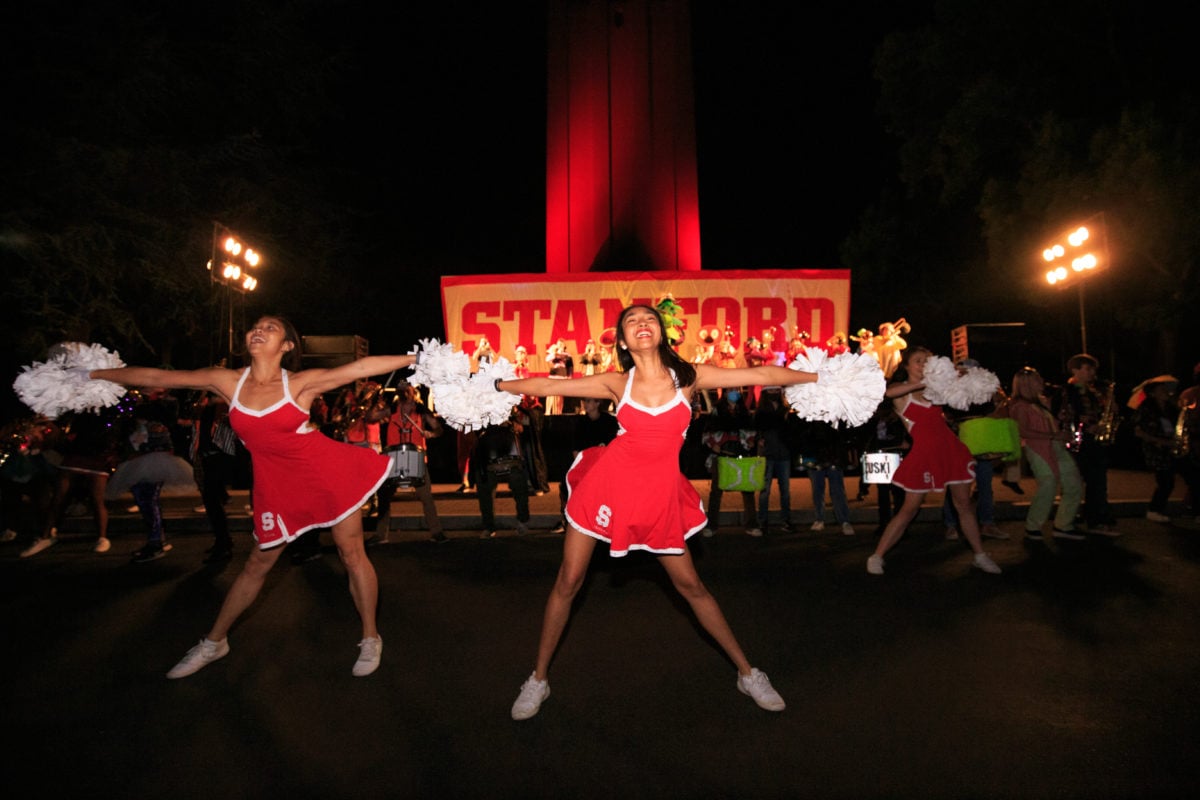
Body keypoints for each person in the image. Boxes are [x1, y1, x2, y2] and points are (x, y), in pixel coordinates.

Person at [496, 303, 822, 720]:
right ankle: (538, 679)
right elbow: (543, 385)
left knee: (692, 587)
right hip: (608, 487)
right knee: (569, 580)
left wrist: (818, 377)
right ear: (623, 341)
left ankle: (748, 672)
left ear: (661, 332)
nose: (641, 324)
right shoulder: (616, 382)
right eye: (631, 321)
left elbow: (762, 374)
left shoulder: (691, 378)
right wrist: (492, 386)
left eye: (648, 318)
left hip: (659, 495)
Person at [86, 315, 417, 679]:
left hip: (326, 473)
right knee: (257, 564)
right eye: (256, 326)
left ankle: (370, 635)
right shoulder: (227, 380)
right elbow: (158, 377)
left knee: (351, 552)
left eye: (271, 328)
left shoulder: (302, 383)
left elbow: (361, 367)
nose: (258, 330)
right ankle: (215, 642)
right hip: (276, 484)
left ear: (287, 346)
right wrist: (96, 375)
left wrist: (417, 360)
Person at [866, 346, 1002, 576]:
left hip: (951, 451)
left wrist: (969, 379)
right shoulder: (902, 393)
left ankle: (980, 555)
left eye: (927, 361)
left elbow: (977, 396)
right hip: (925, 454)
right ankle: (877, 556)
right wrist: (928, 383)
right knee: (909, 509)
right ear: (907, 366)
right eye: (917, 361)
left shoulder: (939, 390)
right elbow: (888, 393)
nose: (923, 365)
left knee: (964, 505)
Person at [1007, 367, 1084, 540]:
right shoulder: (1019, 405)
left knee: (1073, 484)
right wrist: (1054, 434)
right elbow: (1022, 430)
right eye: (1037, 379)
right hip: (1038, 448)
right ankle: (1033, 525)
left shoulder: (1041, 402)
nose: (1041, 382)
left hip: (1055, 446)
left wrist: (1061, 421)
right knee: (1048, 484)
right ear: (1027, 383)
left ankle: (1063, 524)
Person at [941, 358, 1010, 542]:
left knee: (985, 484)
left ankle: (987, 523)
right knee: (955, 486)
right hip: (959, 443)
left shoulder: (985, 393)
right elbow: (945, 415)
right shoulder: (951, 392)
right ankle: (951, 525)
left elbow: (1000, 408)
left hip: (981, 443)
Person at [1052, 353, 1120, 537]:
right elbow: (1061, 415)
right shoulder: (1066, 390)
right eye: (1088, 369)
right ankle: (1077, 520)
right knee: (1076, 483)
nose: (1092, 373)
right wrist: (1087, 425)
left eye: (1093, 369)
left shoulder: (1094, 391)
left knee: (1097, 482)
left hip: (1094, 443)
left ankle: (1095, 518)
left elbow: (1099, 412)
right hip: (1077, 442)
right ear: (1075, 370)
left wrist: (1109, 409)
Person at [372, 382, 446, 543]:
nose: (405, 391)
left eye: (408, 389)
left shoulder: (422, 411)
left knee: (426, 497)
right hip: (393, 457)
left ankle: (436, 532)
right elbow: (371, 418)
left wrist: (430, 434)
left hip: (416, 457)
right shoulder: (391, 409)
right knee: (384, 496)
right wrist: (373, 400)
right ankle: (380, 535)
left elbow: (438, 429)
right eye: (402, 389)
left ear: (413, 392)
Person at [1131, 375, 1198, 523]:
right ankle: (1154, 510)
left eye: (1166, 390)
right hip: (1158, 451)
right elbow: (1139, 432)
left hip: (1173, 448)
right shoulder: (1146, 409)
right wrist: (1163, 442)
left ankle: (1195, 511)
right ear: (1153, 393)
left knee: (1193, 477)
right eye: (1161, 390)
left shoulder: (1171, 409)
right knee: (1166, 482)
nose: (1166, 392)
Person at [552, 396, 619, 533]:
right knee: (566, 483)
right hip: (585, 464)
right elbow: (575, 449)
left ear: (597, 403)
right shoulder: (581, 422)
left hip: (603, 465)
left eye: (589, 401)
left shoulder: (609, 421)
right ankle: (568, 519)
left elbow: (612, 446)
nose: (585, 405)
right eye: (585, 401)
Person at [700, 388, 761, 538]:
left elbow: (752, 430)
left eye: (736, 391)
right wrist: (712, 443)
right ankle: (712, 525)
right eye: (731, 391)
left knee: (747, 489)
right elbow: (708, 431)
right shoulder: (717, 411)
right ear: (725, 393)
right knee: (716, 491)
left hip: (741, 453)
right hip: (721, 454)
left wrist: (751, 441)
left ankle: (751, 524)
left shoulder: (743, 411)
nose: (734, 393)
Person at [472, 415, 531, 538]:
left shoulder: (510, 403)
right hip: (487, 450)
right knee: (485, 491)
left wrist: (513, 423)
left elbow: (522, 425)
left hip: (510, 450)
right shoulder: (480, 404)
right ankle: (488, 526)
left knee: (520, 488)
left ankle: (522, 521)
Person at [798, 418, 856, 536]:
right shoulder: (813, 419)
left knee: (835, 490)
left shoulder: (830, 416)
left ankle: (842, 521)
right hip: (819, 454)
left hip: (830, 454)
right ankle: (823, 519)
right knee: (821, 490)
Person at [753, 386, 793, 534]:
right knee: (765, 490)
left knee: (785, 490)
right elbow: (757, 429)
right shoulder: (762, 411)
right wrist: (760, 439)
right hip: (768, 453)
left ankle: (786, 520)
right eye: (771, 391)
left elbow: (790, 430)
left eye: (777, 391)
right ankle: (762, 521)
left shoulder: (785, 409)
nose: (774, 393)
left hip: (783, 452)